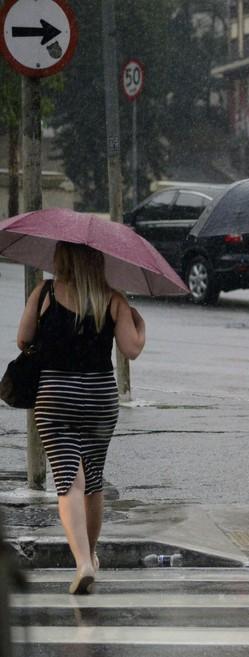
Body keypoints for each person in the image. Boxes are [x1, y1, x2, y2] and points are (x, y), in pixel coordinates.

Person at [16, 242, 146, 594]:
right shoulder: (113, 298)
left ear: (61, 258)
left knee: (68, 483)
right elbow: (131, 349)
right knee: (93, 481)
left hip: (56, 395)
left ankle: (83, 561)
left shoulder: (43, 292)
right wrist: (140, 324)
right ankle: (91, 554)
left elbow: (23, 339)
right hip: (100, 398)